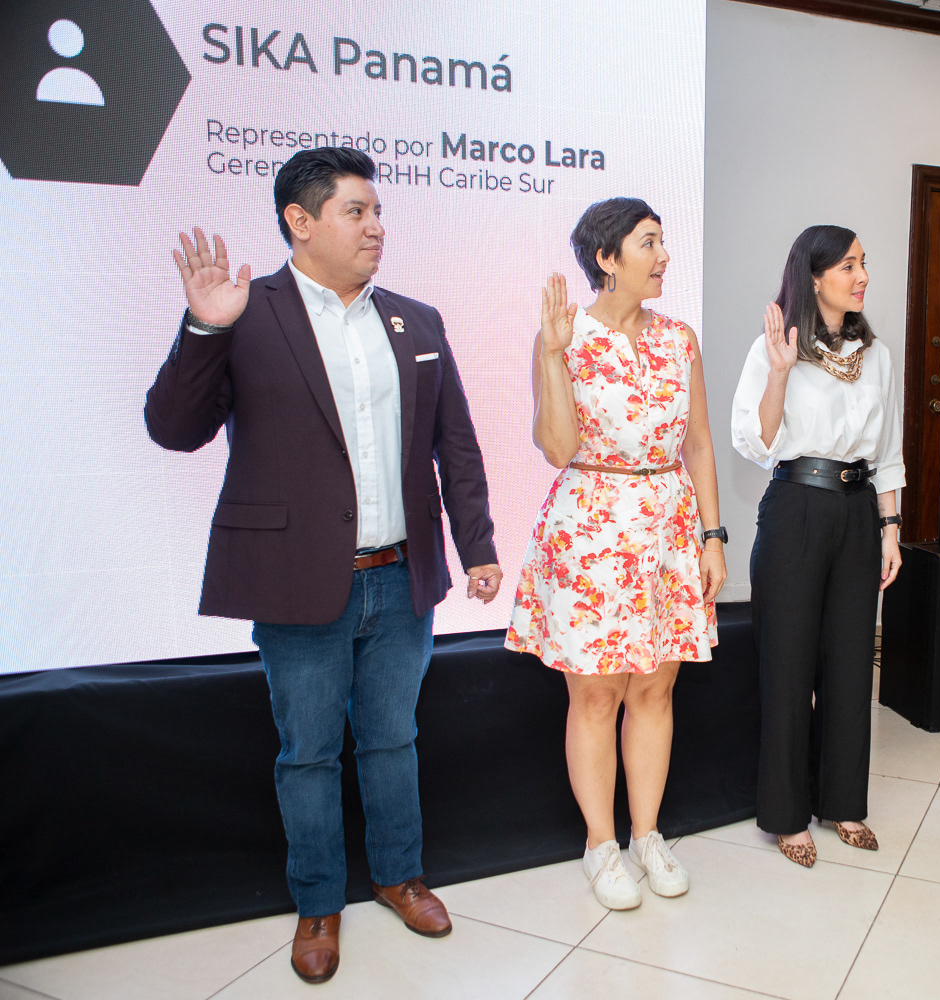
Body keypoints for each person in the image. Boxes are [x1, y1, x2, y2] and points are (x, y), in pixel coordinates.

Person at [145, 147, 503, 983]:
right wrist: (204, 328)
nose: (376, 227)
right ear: (300, 222)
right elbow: (174, 429)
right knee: (307, 753)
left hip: (401, 576)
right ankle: (316, 903)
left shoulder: (416, 320)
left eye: (377, 212)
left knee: (393, 739)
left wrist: (478, 545)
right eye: (356, 211)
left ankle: (399, 875)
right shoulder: (246, 312)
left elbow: (455, 444)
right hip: (298, 580)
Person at [507, 197, 725, 910]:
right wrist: (551, 354)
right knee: (597, 694)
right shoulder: (565, 334)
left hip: (668, 527)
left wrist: (712, 537)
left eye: (662, 242)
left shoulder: (679, 339)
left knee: (656, 689)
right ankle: (600, 844)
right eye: (648, 243)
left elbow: (698, 444)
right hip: (592, 529)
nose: (664, 256)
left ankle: (646, 835)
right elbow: (557, 448)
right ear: (607, 258)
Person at [730, 225, 905, 867]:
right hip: (796, 507)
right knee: (788, 666)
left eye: (864, 264)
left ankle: (843, 803)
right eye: (848, 265)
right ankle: (786, 815)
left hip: (860, 511)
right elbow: (756, 442)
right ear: (814, 275)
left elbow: (889, 450)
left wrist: (891, 528)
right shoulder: (775, 347)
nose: (862, 277)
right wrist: (780, 374)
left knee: (852, 663)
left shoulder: (876, 355)